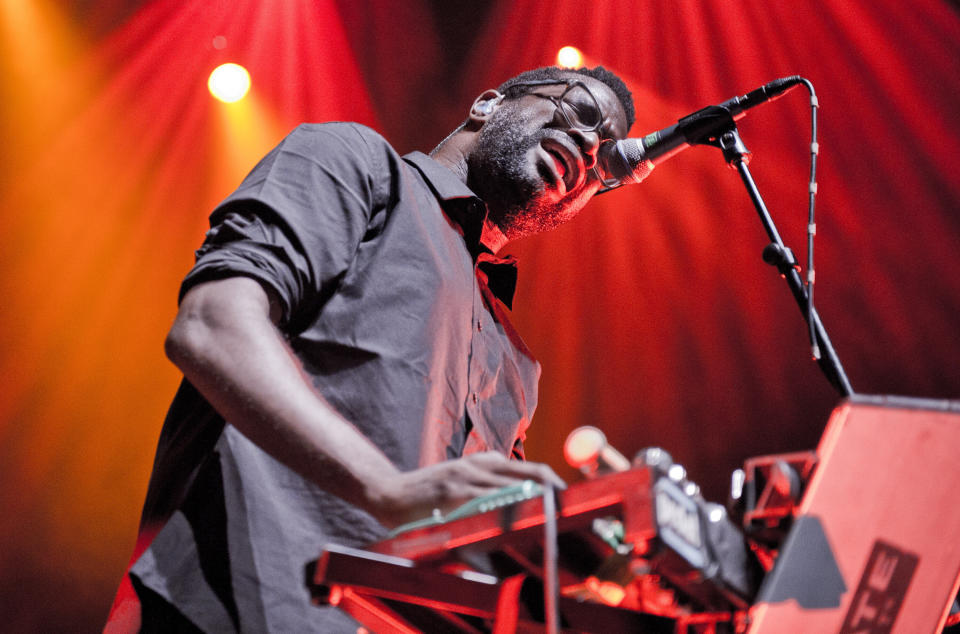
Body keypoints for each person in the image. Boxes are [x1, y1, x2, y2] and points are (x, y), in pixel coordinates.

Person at [106, 65, 635, 632]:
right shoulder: (355, 160)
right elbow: (212, 324)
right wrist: (386, 490)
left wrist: (590, 571)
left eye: (606, 164)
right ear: (487, 104)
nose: (588, 148)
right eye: (581, 111)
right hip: (229, 608)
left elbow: (470, 544)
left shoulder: (516, 361)